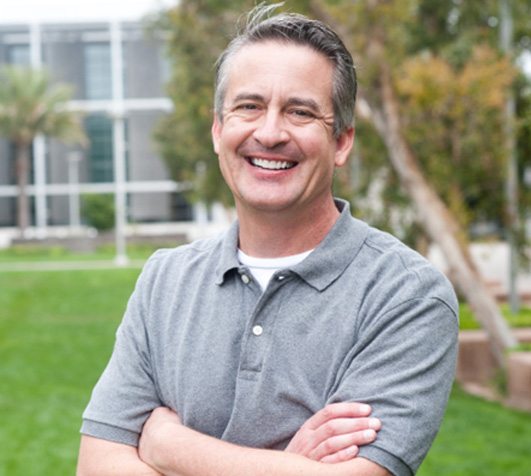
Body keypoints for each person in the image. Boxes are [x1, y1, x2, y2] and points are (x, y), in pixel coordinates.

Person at [77, 5, 458, 476]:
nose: (270, 132)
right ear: (219, 130)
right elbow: (97, 465)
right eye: (249, 107)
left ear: (341, 142)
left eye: (300, 111)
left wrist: (168, 445)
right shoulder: (165, 280)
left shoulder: (406, 294)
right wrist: (285, 466)